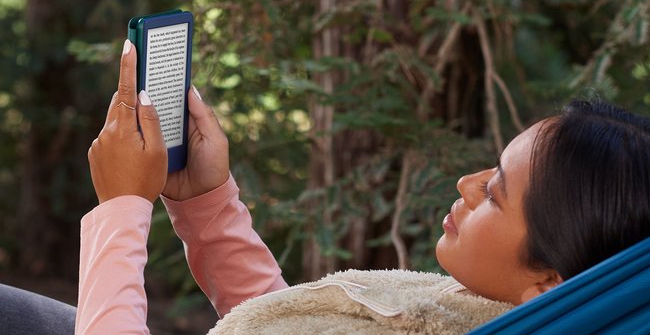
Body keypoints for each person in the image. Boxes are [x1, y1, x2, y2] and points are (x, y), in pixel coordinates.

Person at [75, 39, 650, 334]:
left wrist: (122, 208)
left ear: (549, 283)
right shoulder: (460, 306)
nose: (466, 183)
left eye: (495, 192)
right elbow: (291, 319)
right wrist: (206, 204)